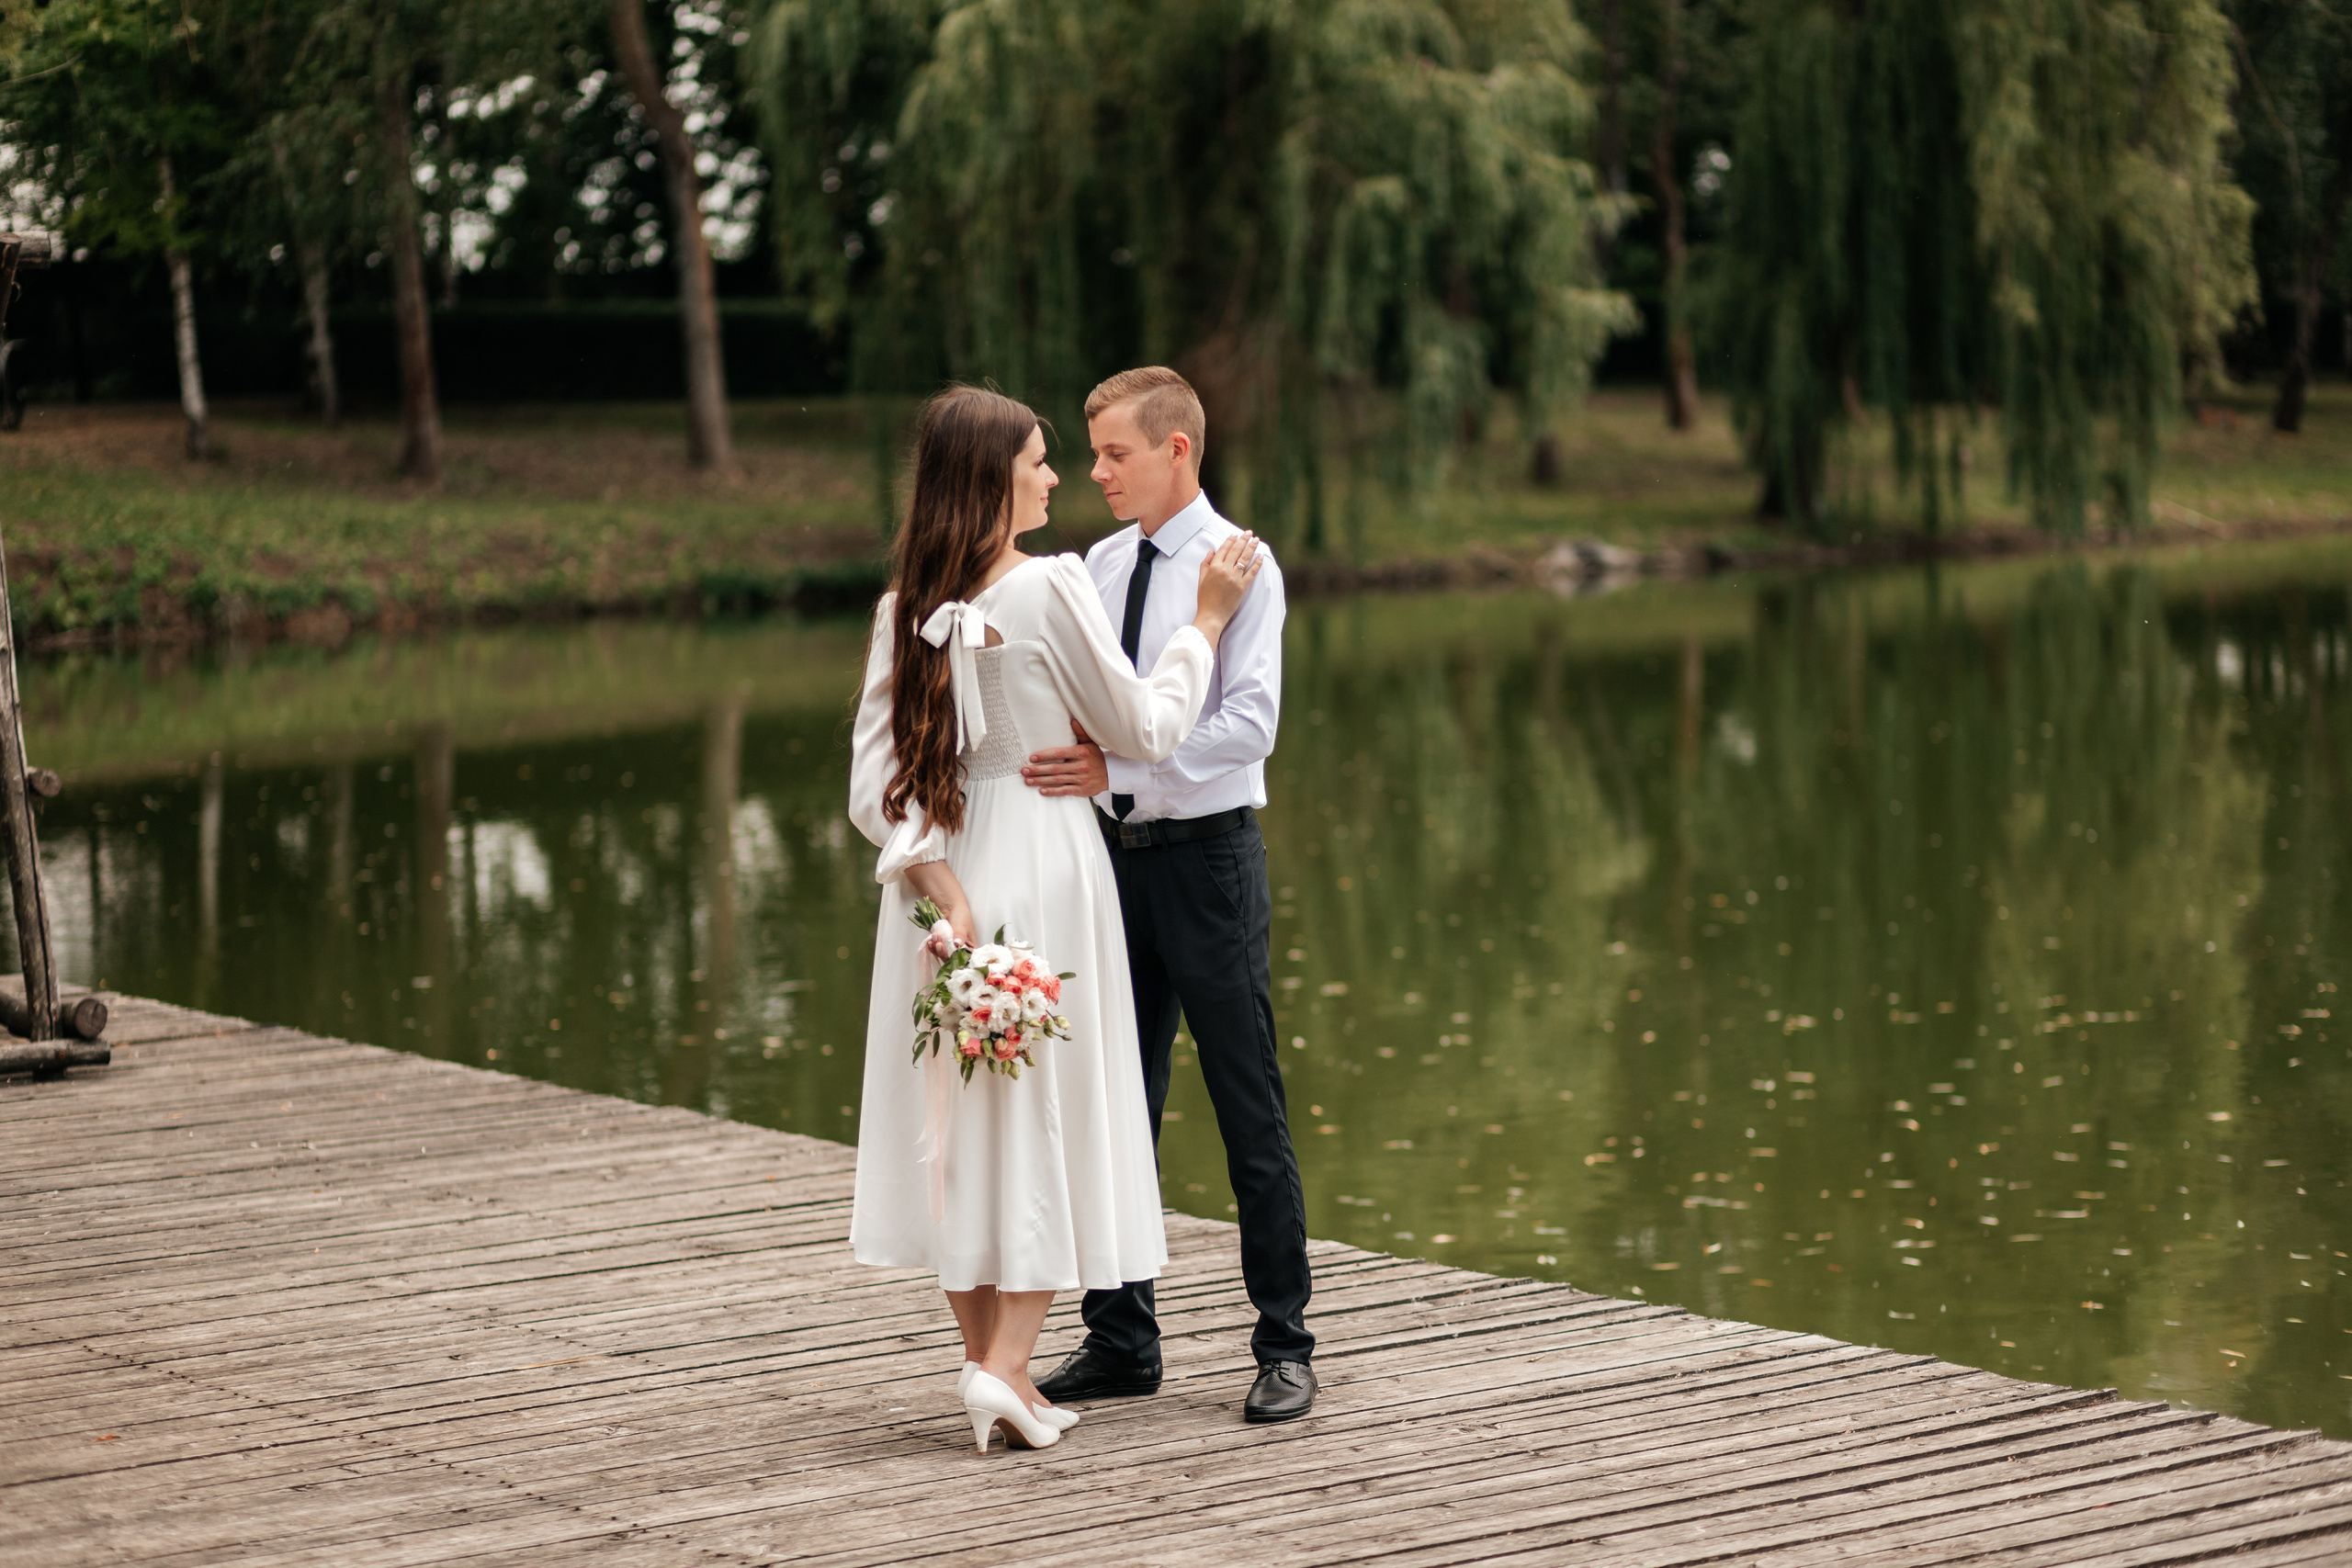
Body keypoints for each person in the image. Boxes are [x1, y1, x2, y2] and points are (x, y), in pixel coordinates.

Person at [846, 384, 1265, 1453]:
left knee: (959, 1126)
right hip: (1040, 864)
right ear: (993, 480)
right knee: (1048, 1116)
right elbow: (1147, 727)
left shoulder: (904, 605)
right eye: (1039, 460)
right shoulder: (1053, 587)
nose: (1056, 477)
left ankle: (1000, 1373)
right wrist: (1204, 625)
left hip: (939, 888)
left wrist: (937, 888)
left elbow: (871, 789)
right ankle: (1002, 1371)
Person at [1019, 367, 1317, 1424]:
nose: (1095, 473)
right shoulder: (1095, 567)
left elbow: (1249, 725)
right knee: (1115, 1105)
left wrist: (1124, 770)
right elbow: (1081, 709)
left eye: (1114, 454)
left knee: (1248, 1105)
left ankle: (1283, 1343)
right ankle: (1121, 1338)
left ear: (1176, 450)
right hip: (1110, 867)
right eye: (1090, 455)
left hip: (1208, 864)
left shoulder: (1242, 566)